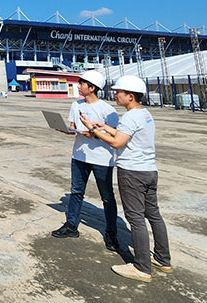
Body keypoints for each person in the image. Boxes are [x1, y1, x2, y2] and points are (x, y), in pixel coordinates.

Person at [80, 74, 171, 283]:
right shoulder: (144, 114)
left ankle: (142, 267)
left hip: (132, 172)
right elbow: (125, 135)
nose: (115, 95)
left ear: (130, 96)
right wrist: (104, 127)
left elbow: (117, 143)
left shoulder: (130, 117)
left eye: (118, 92)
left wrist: (93, 129)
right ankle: (163, 259)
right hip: (149, 171)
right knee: (154, 215)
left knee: (136, 218)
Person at [51, 70, 120, 252]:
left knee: (107, 197)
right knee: (76, 192)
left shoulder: (108, 110)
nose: (79, 86)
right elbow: (73, 127)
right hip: (79, 156)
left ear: (92, 88)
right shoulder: (76, 105)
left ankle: (111, 233)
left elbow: (114, 135)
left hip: (101, 159)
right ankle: (71, 225)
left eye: (82, 83)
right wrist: (66, 130)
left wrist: (93, 134)